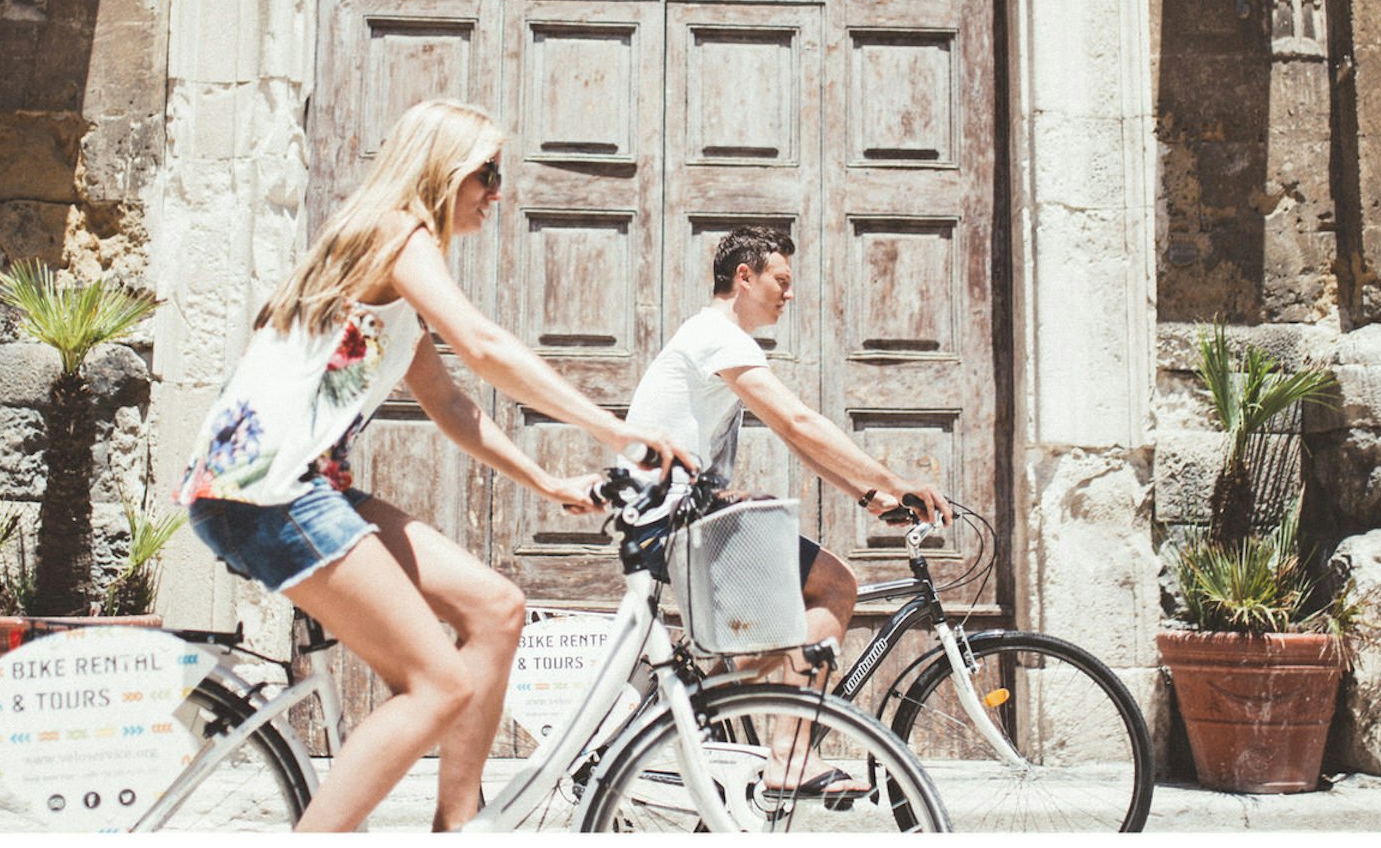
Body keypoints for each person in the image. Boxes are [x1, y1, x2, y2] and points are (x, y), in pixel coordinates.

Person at [176, 99, 694, 833]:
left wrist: (546, 481)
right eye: (486, 173)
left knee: (495, 608)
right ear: (443, 171)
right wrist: (619, 432)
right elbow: (481, 344)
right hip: (264, 492)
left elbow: (452, 408)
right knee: (437, 684)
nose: (497, 190)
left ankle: (460, 826)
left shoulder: (389, 271)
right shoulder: (395, 231)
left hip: (300, 489)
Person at [623, 224, 951, 793]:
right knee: (834, 587)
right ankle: (788, 758)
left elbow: (795, 438)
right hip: (670, 519)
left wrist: (870, 494)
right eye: (781, 279)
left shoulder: (710, 338)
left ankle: (726, 693)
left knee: (778, 619)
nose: (789, 293)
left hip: (665, 516)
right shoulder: (719, 336)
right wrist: (894, 479)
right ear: (744, 277)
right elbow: (796, 421)